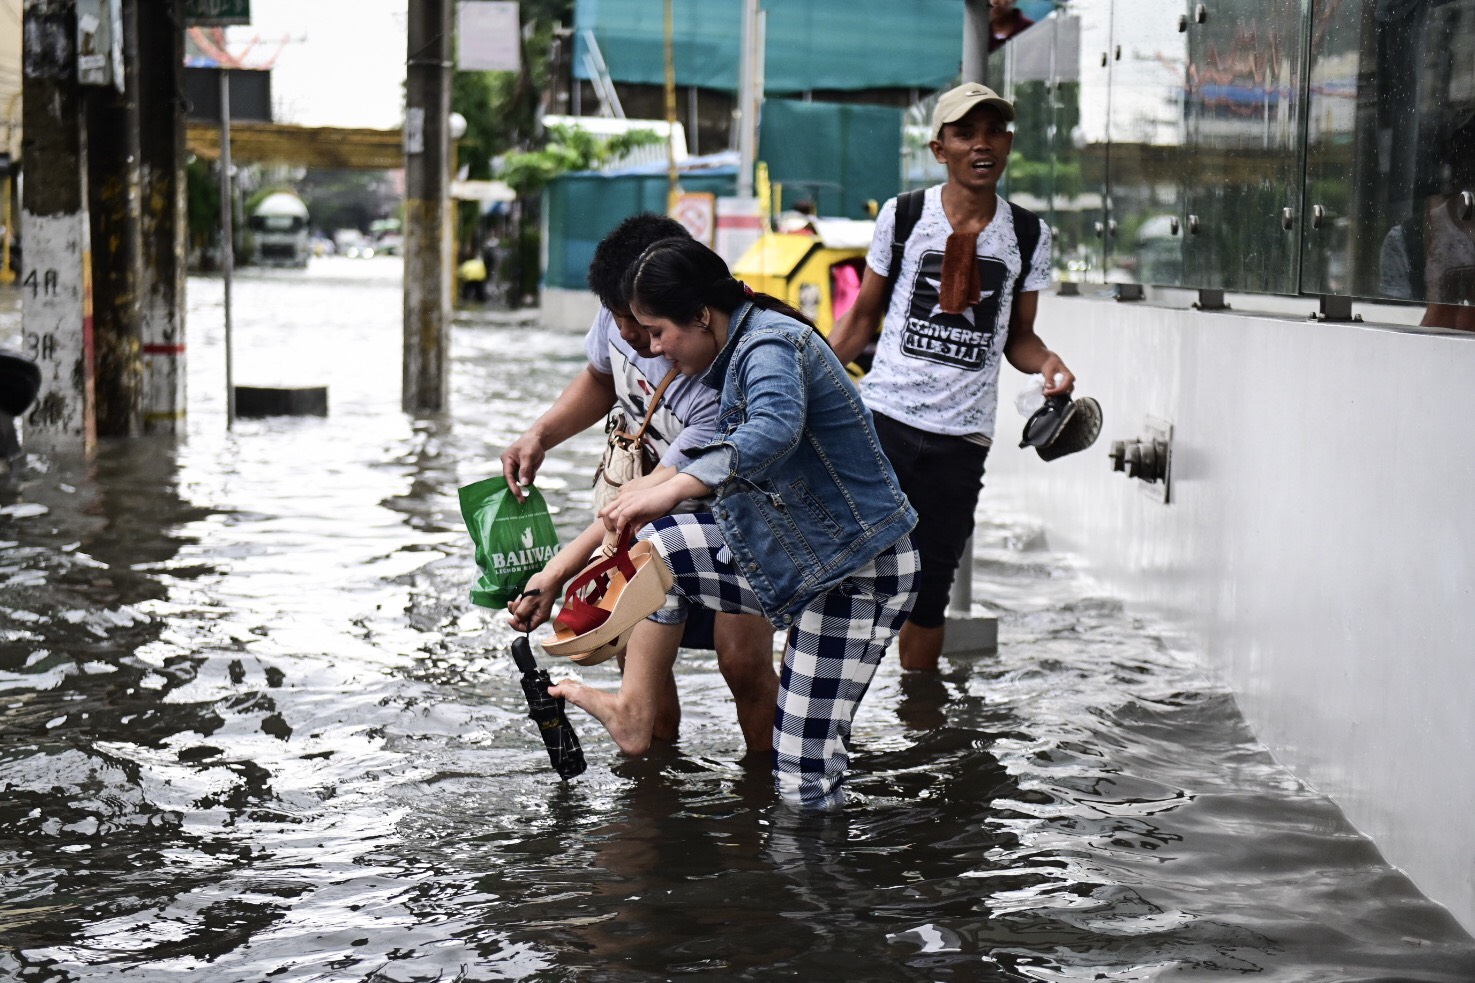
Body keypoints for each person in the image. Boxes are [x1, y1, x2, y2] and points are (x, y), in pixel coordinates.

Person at [547, 237, 921, 810]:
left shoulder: (770, 343)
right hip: (793, 553)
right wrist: (618, 521)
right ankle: (634, 709)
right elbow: (702, 463)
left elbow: (771, 431)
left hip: (855, 574)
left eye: (656, 333)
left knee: (802, 780)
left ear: (701, 315)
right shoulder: (729, 348)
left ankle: (818, 891)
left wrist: (671, 486)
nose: (651, 349)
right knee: (660, 548)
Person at [501, 213, 778, 754]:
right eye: (620, 318)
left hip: (732, 517)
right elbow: (601, 377)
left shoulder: (722, 381)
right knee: (635, 656)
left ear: (688, 310)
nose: (632, 338)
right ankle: (653, 789)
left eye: (647, 328)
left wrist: (557, 572)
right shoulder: (624, 316)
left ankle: (764, 789)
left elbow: (651, 505)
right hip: (651, 510)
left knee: (742, 663)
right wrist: (541, 434)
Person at [828, 82, 1077, 673]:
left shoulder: (1029, 235)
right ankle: (831, 710)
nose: (981, 144)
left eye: (994, 132)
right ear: (941, 149)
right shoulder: (905, 214)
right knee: (849, 572)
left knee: (930, 592)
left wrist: (1048, 364)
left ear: (1009, 144)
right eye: (966, 133)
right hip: (882, 422)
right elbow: (864, 317)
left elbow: (1018, 337)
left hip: (961, 440)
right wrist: (800, 375)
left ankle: (919, 727)